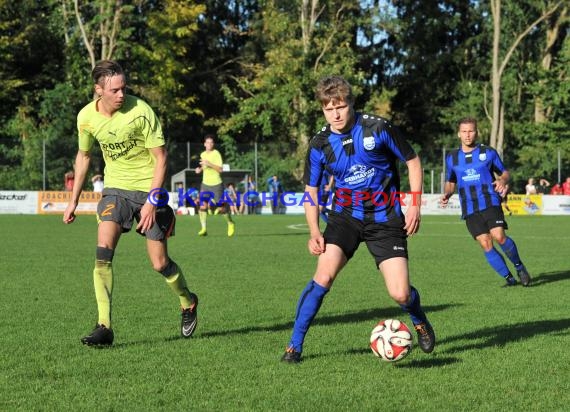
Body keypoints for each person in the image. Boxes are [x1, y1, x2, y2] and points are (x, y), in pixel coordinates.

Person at [281, 76, 435, 363]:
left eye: (340, 106)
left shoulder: (378, 128)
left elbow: (412, 160)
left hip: (385, 219)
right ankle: (294, 345)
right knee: (323, 276)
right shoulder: (319, 143)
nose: (335, 114)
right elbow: (311, 189)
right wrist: (314, 230)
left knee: (400, 293)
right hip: (344, 219)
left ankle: (418, 318)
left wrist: (414, 204)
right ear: (323, 110)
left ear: (351, 103)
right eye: (328, 109)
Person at [63, 60, 198, 346]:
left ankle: (187, 301)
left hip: (150, 190)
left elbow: (161, 159)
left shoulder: (141, 112)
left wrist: (151, 202)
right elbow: (84, 157)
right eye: (115, 90)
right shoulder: (86, 117)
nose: (122, 94)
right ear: (98, 90)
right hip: (116, 191)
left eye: (124, 88)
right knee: (103, 253)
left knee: (159, 264)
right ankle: (104, 326)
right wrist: (72, 200)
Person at [440, 117, 531, 288]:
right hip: (469, 206)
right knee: (485, 243)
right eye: (464, 131)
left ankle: (519, 267)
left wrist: (503, 181)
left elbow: (504, 173)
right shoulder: (452, 158)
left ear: (476, 132)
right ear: (459, 134)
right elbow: (451, 182)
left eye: (471, 131)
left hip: (489, 200)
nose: (468, 135)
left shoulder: (488, 152)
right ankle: (508, 278)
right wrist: (447, 194)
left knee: (499, 236)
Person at [194, 134, 235, 236]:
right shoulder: (203, 154)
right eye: (207, 142)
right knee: (202, 206)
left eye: (211, 142)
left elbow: (220, 169)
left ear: (213, 144)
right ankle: (204, 229)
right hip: (205, 184)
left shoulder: (216, 154)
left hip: (216, 184)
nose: (209, 144)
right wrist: (200, 169)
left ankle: (230, 222)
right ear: (204, 144)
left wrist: (210, 164)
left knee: (221, 208)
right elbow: (204, 166)